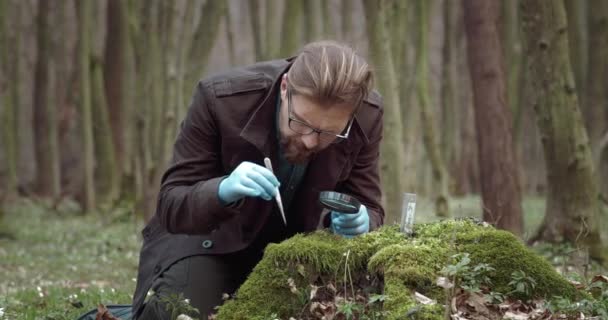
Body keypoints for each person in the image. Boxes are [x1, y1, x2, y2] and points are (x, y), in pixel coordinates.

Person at [132, 40, 385, 319]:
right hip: (207, 243)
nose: (311, 141)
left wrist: (362, 220)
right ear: (285, 88)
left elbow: (369, 205)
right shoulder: (221, 98)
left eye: (329, 133)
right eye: (300, 122)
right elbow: (171, 205)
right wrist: (221, 190)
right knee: (178, 312)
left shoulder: (367, 115)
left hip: (293, 255)